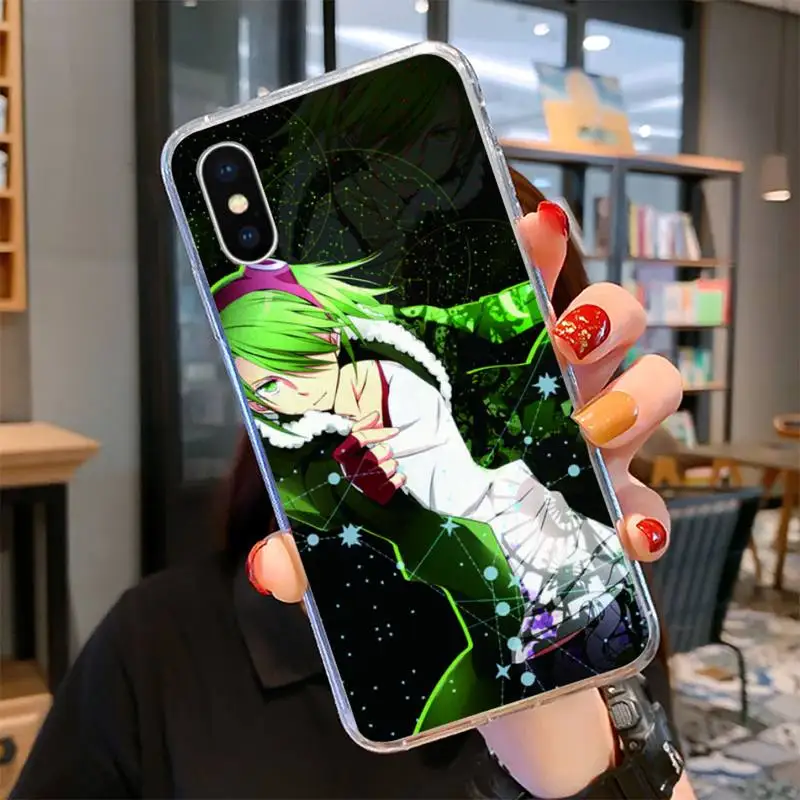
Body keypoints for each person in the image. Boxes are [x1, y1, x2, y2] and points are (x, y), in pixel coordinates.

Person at [12, 171, 693, 800]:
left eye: (278, 379)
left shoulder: (595, 605)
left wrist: (594, 749)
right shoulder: (156, 648)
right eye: (260, 389)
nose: (276, 402)